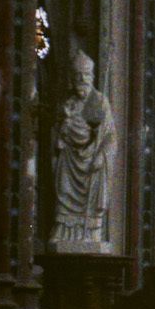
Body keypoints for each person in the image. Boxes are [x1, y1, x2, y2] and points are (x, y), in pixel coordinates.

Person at [52, 45, 117, 246]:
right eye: (78, 75)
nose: (82, 79)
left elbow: (110, 135)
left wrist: (101, 155)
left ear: (92, 76)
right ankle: (65, 232)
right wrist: (62, 126)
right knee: (63, 192)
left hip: (91, 163)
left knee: (91, 200)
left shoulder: (98, 102)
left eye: (86, 75)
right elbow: (57, 131)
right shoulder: (68, 104)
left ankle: (90, 233)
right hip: (70, 159)